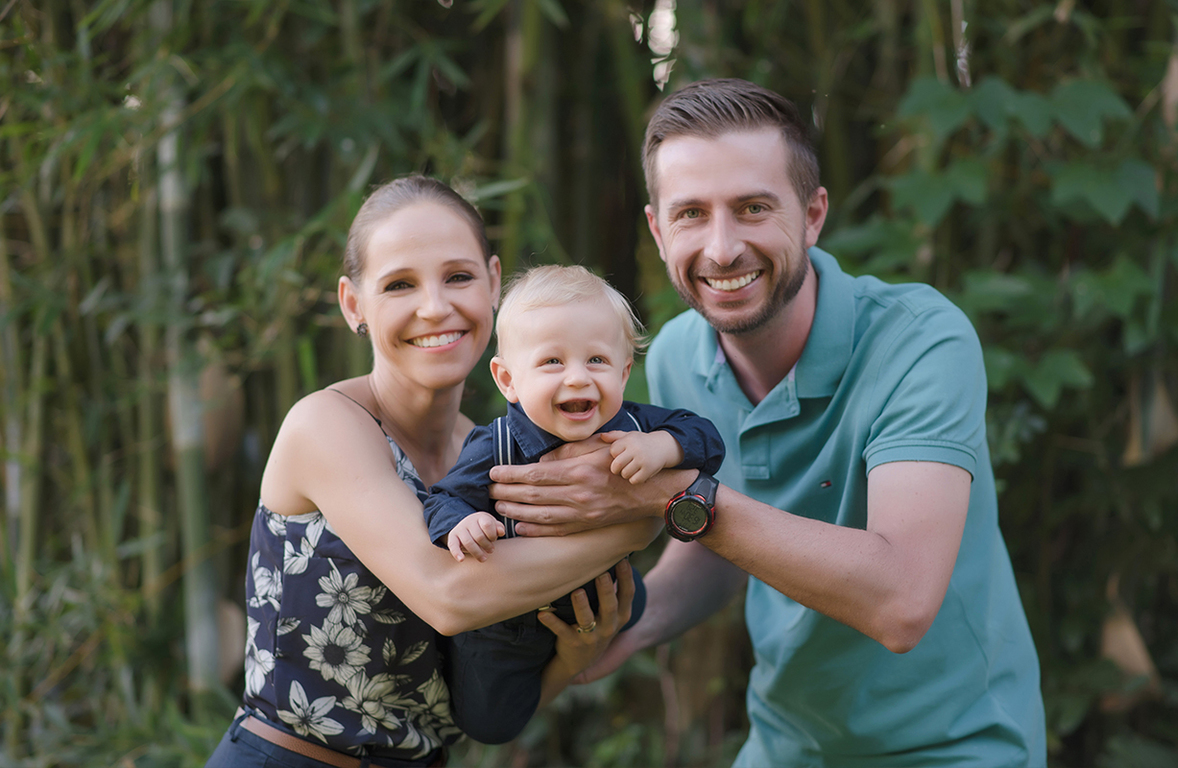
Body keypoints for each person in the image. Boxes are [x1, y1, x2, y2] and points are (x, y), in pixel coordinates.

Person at [488, 79, 1047, 767]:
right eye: (692, 214)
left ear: (812, 215)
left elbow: (902, 601)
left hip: (955, 746)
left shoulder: (921, 340)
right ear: (659, 230)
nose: (722, 250)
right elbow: (722, 543)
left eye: (753, 208)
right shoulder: (676, 357)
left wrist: (668, 493)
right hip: (788, 743)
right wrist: (619, 630)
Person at [205, 176, 657, 768]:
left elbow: (482, 705)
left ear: (494, 283)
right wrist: (639, 524)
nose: (436, 306)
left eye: (459, 277)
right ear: (353, 305)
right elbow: (449, 596)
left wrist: (573, 658)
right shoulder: (327, 426)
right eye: (399, 284)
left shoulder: (493, 457)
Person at [423, 265, 724, 744]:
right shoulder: (495, 445)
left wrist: (662, 447)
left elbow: (706, 438)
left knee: (636, 605)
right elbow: (444, 498)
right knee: (490, 723)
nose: (579, 379)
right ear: (508, 380)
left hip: (601, 590)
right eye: (552, 363)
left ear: (625, 371)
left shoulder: (634, 426)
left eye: (598, 360)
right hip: (510, 621)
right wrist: (465, 521)